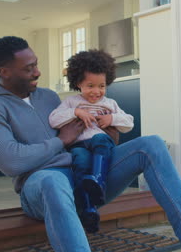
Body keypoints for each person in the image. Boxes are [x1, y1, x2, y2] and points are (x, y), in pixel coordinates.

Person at [0, 36, 181, 252]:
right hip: (39, 188)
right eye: (29, 68)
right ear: (4, 71)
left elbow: (82, 138)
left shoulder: (46, 96)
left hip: (84, 178)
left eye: (36, 64)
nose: (37, 72)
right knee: (51, 181)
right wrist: (60, 141)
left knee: (151, 145)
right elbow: (12, 162)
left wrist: (108, 129)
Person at [48, 49, 134, 233]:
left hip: (101, 143)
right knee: (79, 159)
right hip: (80, 145)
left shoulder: (110, 104)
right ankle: (89, 208)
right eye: (90, 86)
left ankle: (98, 179)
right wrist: (76, 112)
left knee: (100, 139)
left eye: (101, 86)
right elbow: (53, 119)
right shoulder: (71, 102)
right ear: (79, 83)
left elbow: (129, 123)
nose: (96, 92)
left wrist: (112, 119)